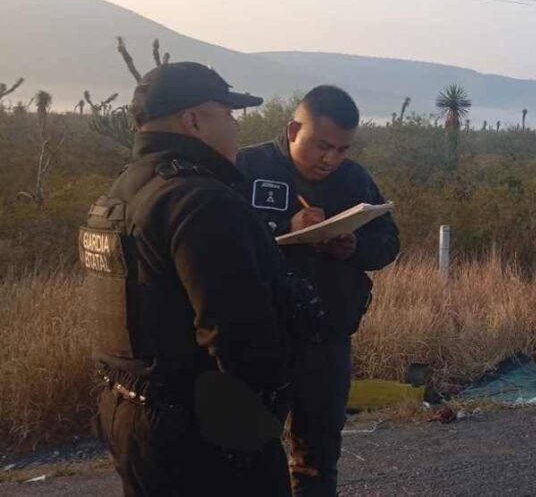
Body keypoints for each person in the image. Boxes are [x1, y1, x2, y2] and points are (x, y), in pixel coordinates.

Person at [81, 62, 297, 496]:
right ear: (193, 121)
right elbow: (237, 335)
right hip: (202, 430)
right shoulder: (200, 201)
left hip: (129, 413)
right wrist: (265, 412)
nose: (237, 127)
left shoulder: (119, 195)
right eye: (229, 114)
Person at [237, 85, 400, 496]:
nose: (331, 159)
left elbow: (388, 243)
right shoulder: (246, 168)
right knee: (249, 454)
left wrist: (354, 247)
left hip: (327, 338)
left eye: (342, 149)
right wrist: (281, 229)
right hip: (257, 339)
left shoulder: (356, 178)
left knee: (318, 459)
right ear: (293, 129)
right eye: (322, 145)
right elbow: (213, 246)